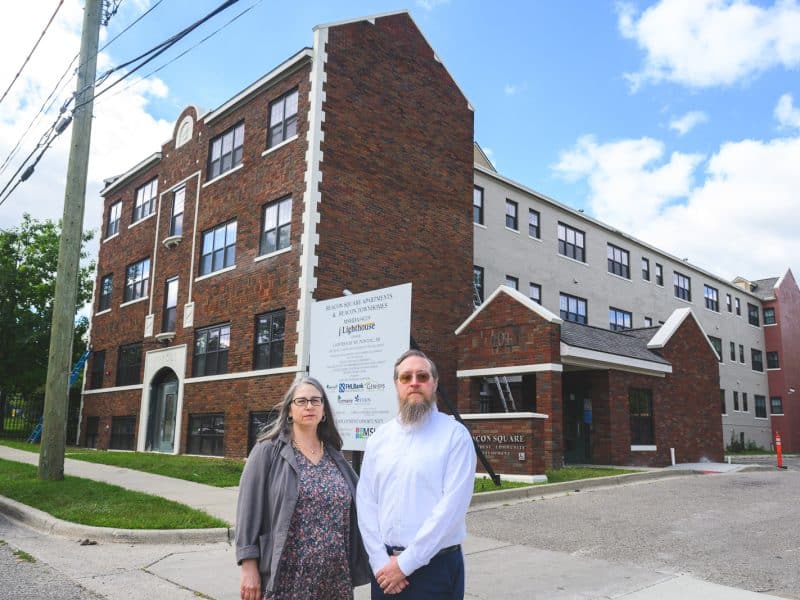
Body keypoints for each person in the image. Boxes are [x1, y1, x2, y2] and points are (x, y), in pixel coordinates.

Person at [235, 376, 370, 600]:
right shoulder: (268, 451)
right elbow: (248, 510)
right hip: (288, 577)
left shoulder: (335, 457)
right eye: (301, 401)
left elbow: (364, 504)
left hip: (336, 578)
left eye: (316, 401)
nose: (309, 406)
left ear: (324, 410)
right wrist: (248, 566)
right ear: (289, 410)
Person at [356, 349, 477, 599]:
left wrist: (405, 565)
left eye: (422, 376)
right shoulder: (379, 439)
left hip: (436, 569)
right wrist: (380, 562)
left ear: (434, 384)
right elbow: (366, 504)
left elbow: (451, 509)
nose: (414, 383)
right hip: (384, 571)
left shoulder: (455, 436)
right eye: (406, 377)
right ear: (396, 384)